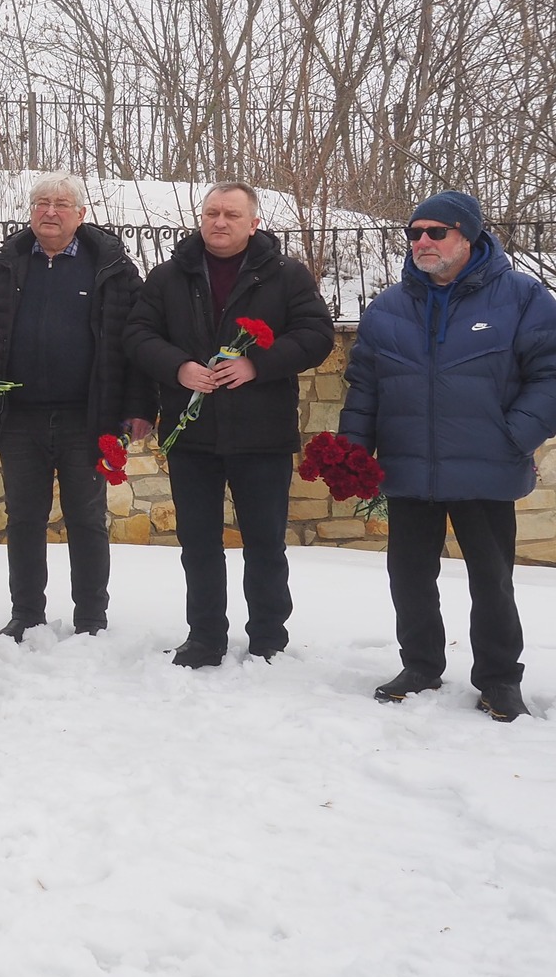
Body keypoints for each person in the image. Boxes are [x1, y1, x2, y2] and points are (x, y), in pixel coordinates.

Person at [341, 192, 556, 722]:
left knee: (492, 580)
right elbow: (364, 385)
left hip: (486, 467)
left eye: (436, 231)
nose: (422, 241)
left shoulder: (523, 297)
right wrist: (352, 451)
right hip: (408, 465)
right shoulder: (388, 307)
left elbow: (550, 375)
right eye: (414, 233)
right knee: (409, 575)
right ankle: (420, 666)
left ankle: (499, 680)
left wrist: (512, 436)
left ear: (468, 235)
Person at [123, 181, 335, 667]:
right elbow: (137, 334)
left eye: (232, 215)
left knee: (264, 543)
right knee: (198, 543)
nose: (220, 222)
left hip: (262, 433)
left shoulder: (285, 275)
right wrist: (178, 366)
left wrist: (257, 364)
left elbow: (316, 334)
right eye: (212, 213)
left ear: (254, 223)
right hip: (192, 435)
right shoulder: (169, 275)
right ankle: (204, 637)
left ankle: (268, 637)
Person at [0, 173, 155, 639]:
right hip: (19, 416)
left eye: (61, 204)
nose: (50, 211)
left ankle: (91, 617)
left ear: (81, 214)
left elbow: (134, 342)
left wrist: (138, 407)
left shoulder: (112, 268)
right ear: (31, 211)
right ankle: (26, 613)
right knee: (23, 519)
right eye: (41, 203)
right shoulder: (1, 266)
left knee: (87, 519)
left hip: (87, 417)